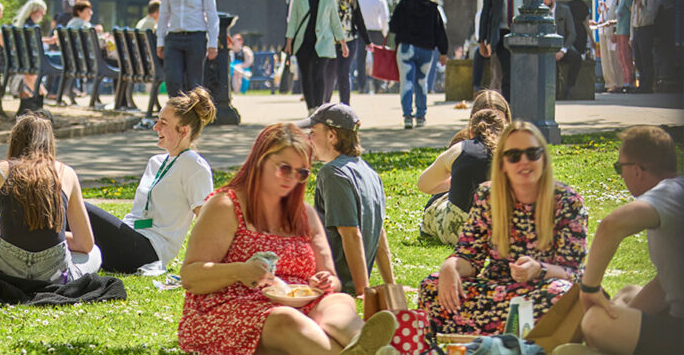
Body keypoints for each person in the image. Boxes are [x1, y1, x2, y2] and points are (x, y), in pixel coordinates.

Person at [179, 123, 395, 355]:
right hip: (233, 307)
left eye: (301, 173)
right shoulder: (226, 205)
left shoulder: (303, 213)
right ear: (260, 161)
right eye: (284, 169)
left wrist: (325, 281)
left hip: (301, 303)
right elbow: (191, 277)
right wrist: (239, 271)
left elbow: (332, 278)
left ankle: (366, 345)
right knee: (285, 318)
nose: (292, 178)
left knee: (338, 302)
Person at [419, 120, 588, 335]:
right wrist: (449, 267)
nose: (524, 161)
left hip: (542, 288)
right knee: (431, 287)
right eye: (514, 156)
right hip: (496, 288)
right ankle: (506, 334)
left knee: (561, 295)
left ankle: (479, 335)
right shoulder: (487, 196)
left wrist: (538, 269)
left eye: (532, 154)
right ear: (502, 164)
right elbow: (469, 256)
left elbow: (574, 274)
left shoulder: (567, 202)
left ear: (544, 158)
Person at [0, 112, 101, 282]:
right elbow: (85, 244)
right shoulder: (66, 173)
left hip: (7, 273)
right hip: (54, 275)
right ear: (49, 143)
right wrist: (54, 236)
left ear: (14, 141)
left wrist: (0, 237)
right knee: (95, 253)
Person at [576, 126, 682, 355]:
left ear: (636, 170)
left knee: (594, 322)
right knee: (627, 293)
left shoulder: (668, 193)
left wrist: (589, 288)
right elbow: (666, 282)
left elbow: (611, 225)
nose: (621, 175)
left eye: (619, 168)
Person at [86, 88, 216, 273]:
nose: (156, 127)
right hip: (130, 235)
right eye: (157, 121)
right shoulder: (155, 162)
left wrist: (203, 263)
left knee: (72, 204)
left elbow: (206, 219)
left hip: (149, 249)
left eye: (163, 123)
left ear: (184, 130)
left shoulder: (194, 164)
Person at [302, 103, 395, 296]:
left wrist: (362, 291)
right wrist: (391, 285)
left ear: (331, 135)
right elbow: (379, 234)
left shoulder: (333, 173)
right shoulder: (370, 172)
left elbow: (351, 234)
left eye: (313, 132)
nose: (308, 139)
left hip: (332, 280)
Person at [416, 107, 508, 245]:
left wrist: (454, 183)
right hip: (501, 231)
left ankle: (427, 230)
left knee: (437, 203)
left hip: (459, 232)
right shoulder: (513, 152)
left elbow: (424, 185)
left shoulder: (459, 149)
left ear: (470, 132)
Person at [156, 0, 220, 102]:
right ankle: (177, 113)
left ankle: (193, 114)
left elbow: (212, 15)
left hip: (196, 37)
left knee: (194, 84)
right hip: (174, 37)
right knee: (172, 80)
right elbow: (164, 13)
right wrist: (160, 41)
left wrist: (213, 43)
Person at [283, 0, 347, 113]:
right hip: (303, 42)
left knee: (318, 74)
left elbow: (335, 22)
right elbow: (293, 21)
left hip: (323, 43)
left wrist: (342, 42)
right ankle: (311, 107)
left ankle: (319, 107)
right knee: (306, 75)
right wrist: (289, 41)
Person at [388, 0, 449, 129]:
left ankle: (407, 116)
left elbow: (393, 27)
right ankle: (421, 116)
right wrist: (443, 52)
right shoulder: (433, 8)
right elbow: (440, 31)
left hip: (406, 47)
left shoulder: (402, 5)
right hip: (426, 50)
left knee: (407, 82)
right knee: (422, 82)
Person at [477, 0, 523, 99]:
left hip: (523, 33)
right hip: (502, 34)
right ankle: (508, 104)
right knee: (507, 72)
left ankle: (520, 102)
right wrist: (482, 40)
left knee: (521, 72)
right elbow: (486, 13)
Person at [325, 0, 368, 104]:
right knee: (329, 73)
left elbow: (359, 22)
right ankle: (324, 104)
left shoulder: (352, 0)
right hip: (330, 42)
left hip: (349, 41)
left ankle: (345, 105)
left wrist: (368, 41)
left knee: (343, 72)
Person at [549, 0, 582, 99]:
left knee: (576, 57)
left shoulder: (564, 10)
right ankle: (552, 91)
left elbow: (572, 33)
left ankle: (569, 87)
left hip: (563, 47)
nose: (544, 1)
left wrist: (563, 50)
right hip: (547, 49)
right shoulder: (540, 12)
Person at [559, 0, 590, 99]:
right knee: (577, 57)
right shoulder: (584, 5)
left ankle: (564, 85)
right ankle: (570, 86)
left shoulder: (567, 6)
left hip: (570, 34)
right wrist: (592, 40)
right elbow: (586, 24)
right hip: (581, 33)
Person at [631, 0, 659, 94]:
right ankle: (641, 84)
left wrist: (642, 7)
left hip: (645, 30)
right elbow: (632, 18)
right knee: (638, 60)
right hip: (637, 30)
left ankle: (648, 85)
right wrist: (631, 36)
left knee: (646, 58)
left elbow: (650, 17)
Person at [608, 0, 635, 92]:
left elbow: (633, 15)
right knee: (621, 58)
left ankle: (630, 82)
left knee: (626, 57)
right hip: (619, 31)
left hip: (625, 31)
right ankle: (626, 81)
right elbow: (619, 18)